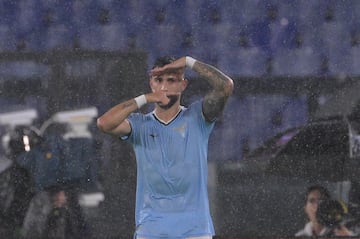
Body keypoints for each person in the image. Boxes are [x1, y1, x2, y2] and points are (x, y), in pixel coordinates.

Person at [97, 56, 234, 239]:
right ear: (151, 84)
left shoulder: (197, 117)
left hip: (194, 230)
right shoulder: (140, 125)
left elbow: (225, 86)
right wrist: (144, 98)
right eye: (158, 80)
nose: (164, 87)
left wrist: (188, 61)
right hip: (151, 229)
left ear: (183, 85)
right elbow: (104, 123)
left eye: (171, 80)